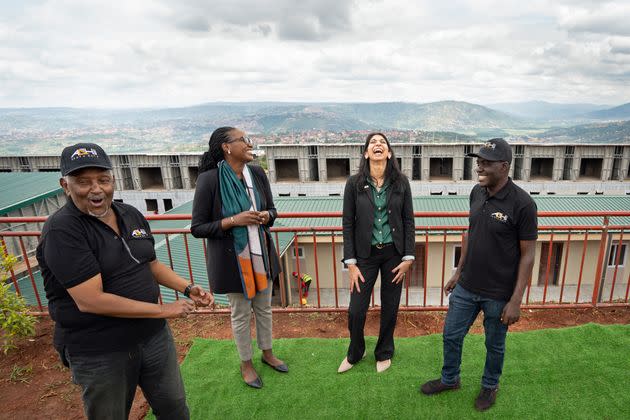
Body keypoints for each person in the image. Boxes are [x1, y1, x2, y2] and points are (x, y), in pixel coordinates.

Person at [36, 142, 214, 420]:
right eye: (83, 181)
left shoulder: (130, 214)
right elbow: (90, 300)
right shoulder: (62, 230)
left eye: (103, 180)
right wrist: (163, 310)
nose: (96, 189)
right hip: (100, 349)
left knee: (174, 407)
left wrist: (188, 288)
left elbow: (150, 263)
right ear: (65, 185)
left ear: (112, 181)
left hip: (153, 337)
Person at [420, 138, 537, 411]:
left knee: (494, 345)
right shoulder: (477, 192)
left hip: (499, 293)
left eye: (486, 163)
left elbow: (529, 255)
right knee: (451, 335)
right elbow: (470, 233)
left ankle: (489, 386)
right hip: (468, 285)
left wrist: (516, 300)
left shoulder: (523, 204)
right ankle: (450, 379)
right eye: (478, 162)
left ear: (505, 166)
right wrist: (458, 272)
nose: (479, 168)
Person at [191, 127, 286, 389]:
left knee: (264, 309)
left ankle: (267, 354)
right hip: (233, 262)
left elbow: (273, 210)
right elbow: (198, 228)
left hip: (262, 256)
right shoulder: (209, 180)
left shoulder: (256, 173)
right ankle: (246, 363)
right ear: (226, 147)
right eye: (244, 140)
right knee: (241, 314)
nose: (249, 143)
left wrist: (267, 216)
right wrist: (234, 221)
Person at [339, 132, 415, 374]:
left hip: (394, 255)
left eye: (382, 142)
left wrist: (408, 257)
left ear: (389, 153)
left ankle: (384, 352)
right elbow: (348, 222)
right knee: (356, 310)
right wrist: (351, 263)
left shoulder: (401, 182)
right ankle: (355, 351)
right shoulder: (354, 183)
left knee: (390, 307)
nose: (378, 145)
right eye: (373, 143)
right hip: (365, 257)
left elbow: (408, 220)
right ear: (366, 153)